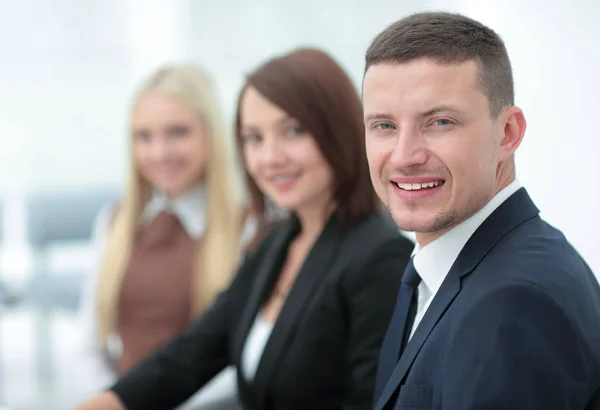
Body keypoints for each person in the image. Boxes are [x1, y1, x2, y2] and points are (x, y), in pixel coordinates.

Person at [73, 47, 414, 410]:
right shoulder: (279, 242)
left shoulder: (379, 256)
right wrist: (108, 402)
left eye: (293, 131)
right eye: (254, 138)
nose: (270, 157)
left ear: (339, 130)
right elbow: (194, 353)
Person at [363, 11, 600, 410]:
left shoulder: (513, 303)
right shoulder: (453, 269)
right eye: (384, 126)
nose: (404, 157)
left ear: (508, 132)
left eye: (439, 121)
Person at [77, 65, 250, 407]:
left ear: (210, 134)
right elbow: (87, 347)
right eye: (144, 136)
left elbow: (241, 358)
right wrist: (116, 398)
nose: (159, 153)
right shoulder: (115, 223)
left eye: (178, 132)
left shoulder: (248, 227)